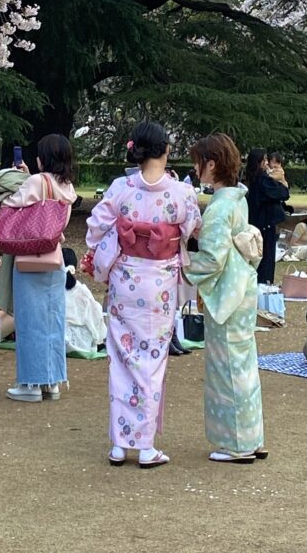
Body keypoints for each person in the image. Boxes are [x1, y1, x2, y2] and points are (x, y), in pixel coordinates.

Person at [86, 120, 202, 468]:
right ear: (165, 150)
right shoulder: (181, 193)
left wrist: (115, 245)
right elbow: (193, 228)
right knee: (152, 360)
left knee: (121, 358)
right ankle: (146, 446)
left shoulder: (121, 187)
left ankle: (121, 444)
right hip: (161, 284)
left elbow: (96, 227)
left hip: (125, 281)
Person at [184, 133, 265, 463]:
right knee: (244, 364)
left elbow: (213, 259)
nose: (195, 168)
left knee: (226, 367)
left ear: (211, 165)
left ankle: (236, 444)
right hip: (243, 286)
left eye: (198, 162)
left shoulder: (219, 208)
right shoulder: (238, 198)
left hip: (228, 294)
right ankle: (251, 437)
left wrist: (184, 265)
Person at [0, 133, 77, 403]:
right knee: (52, 322)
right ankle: (52, 382)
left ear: (43, 158)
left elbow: (11, 204)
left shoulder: (35, 182)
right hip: (54, 258)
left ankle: (30, 384)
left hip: (30, 258)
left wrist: (18, 179)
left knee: (30, 321)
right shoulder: (68, 187)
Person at [245, 148, 289, 284]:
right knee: (266, 256)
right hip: (265, 223)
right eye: (264, 160)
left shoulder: (250, 178)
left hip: (254, 222)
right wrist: (281, 181)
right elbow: (283, 193)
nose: (266, 163)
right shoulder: (263, 179)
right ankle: (265, 283)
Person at [62, 247, 106, 355]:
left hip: (56, 340)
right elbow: (96, 316)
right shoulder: (82, 290)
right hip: (82, 344)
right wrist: (100, 339)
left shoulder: (50, 288)